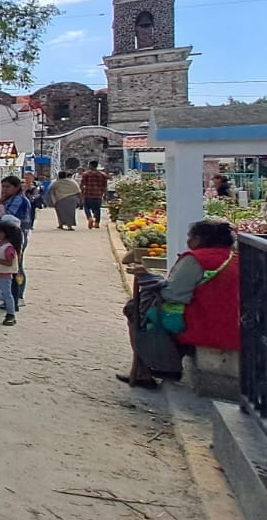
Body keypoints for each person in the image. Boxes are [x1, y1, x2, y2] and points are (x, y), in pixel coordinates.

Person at [118, 219, 240, 388]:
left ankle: (142, 371)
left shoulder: (196, 259)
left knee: (135, 310)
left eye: (190, 236)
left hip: (204, 324)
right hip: (238, 326)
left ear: (198, 239)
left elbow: (173, 294)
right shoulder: (236, 258)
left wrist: (150, 278)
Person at [0, 175, 33, 303]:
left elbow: (8, 218)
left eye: (8, 187)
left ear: (16, 187)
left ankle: (18, 295)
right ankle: (7, 293)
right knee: (6, 266)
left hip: (17, 236)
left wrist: (0, 206)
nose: (5, 189)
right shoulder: (8, 199)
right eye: (3, 187)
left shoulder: (19, 200)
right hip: (7, 236)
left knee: (17, 266)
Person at [79, 160, 108, 228]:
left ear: (90, 166)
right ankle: (97, 223)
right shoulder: (103, 175)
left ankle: (90, 218)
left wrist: (81, 193)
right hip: (98, 195)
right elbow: (105, 186)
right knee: (97, 209)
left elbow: (82, 184)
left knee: (86, 208)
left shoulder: (85, 174)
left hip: (88, 194)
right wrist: (105, 194)